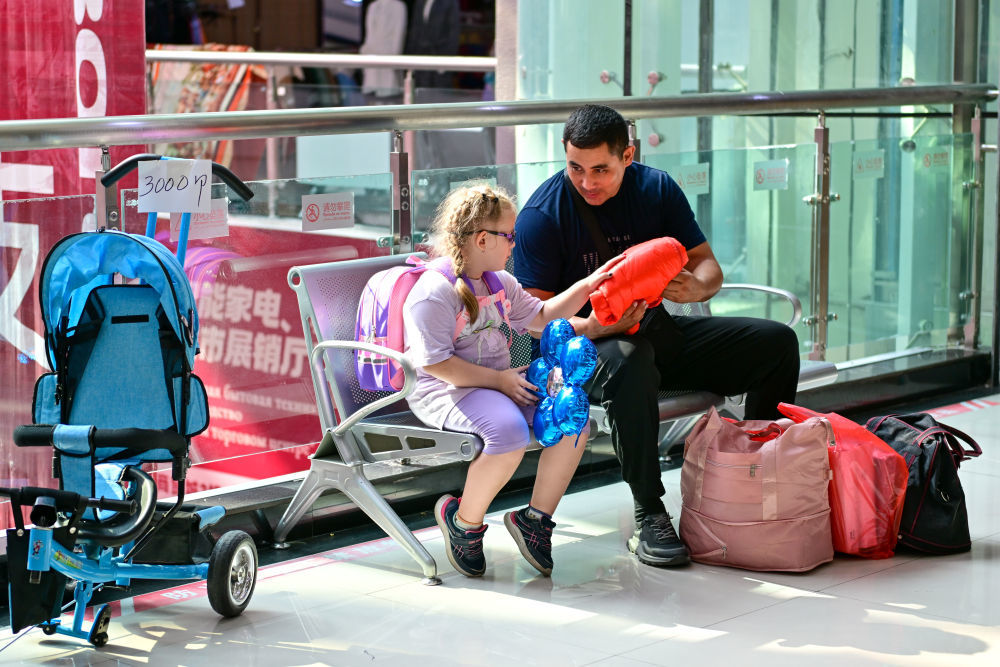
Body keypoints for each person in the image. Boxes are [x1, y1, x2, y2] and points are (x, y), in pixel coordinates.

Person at [512, 104, 800, 568]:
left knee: (775, 344)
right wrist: (596, 327)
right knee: (630, 359)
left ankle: (753, 475)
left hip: (655, 333)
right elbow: (533, 322)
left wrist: (697, 287)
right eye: (575, 168)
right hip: (580, 351)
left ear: (628, 156)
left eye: (601, 169)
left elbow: (707, 266)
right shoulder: (542, 215)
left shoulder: (656, 188)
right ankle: (650, 513)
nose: (586, 182)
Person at [403, 184, 620, 578]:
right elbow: (436, 365)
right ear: (482, 239)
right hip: (447, 389)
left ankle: (535, 520)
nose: (514, 244)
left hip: (498, 383)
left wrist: (589, 285)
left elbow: (543, 317)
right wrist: (499, 382)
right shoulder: (434, 292)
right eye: (510, 235)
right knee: (509, 433)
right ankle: (463, 523)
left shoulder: (499, 281)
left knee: (573, 420)